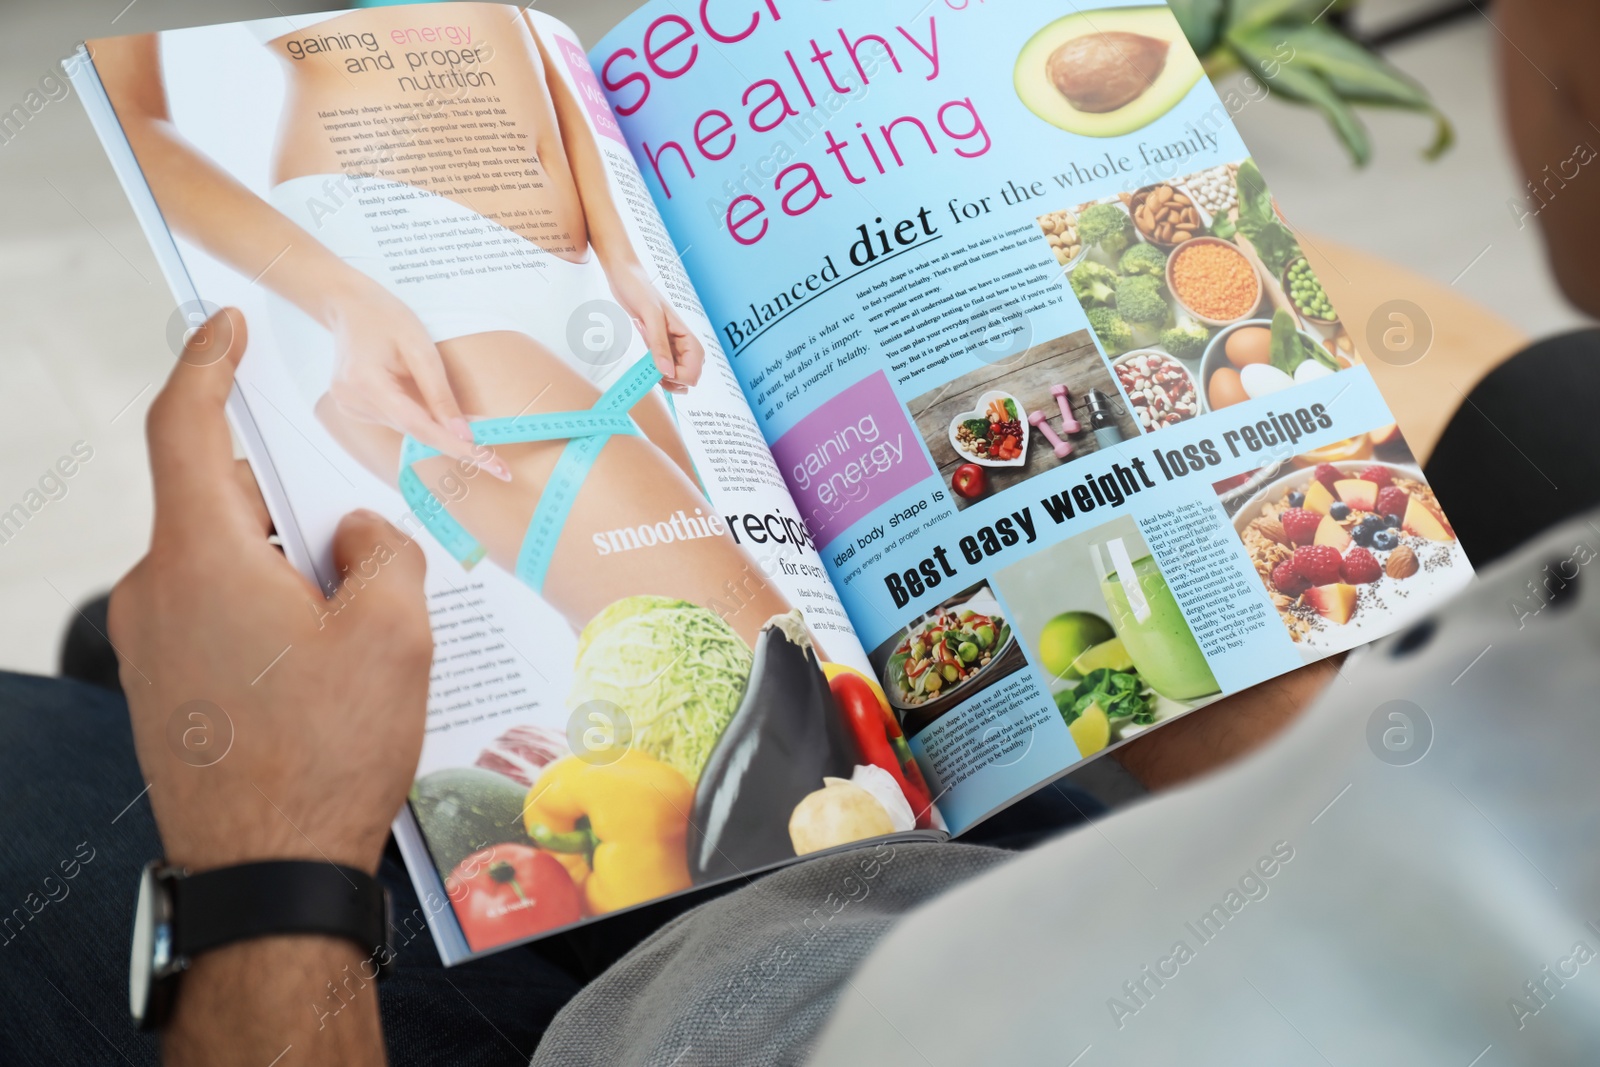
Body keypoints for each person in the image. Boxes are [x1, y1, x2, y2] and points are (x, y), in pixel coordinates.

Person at [8, 4, 1600, 1064]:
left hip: (774, 981)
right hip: (1046, 872)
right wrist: (1285, 723)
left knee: (56, 754)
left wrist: (268, 874)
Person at [90, 7, 805, 647]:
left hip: (578, 288)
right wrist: (343, 300)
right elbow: (132, 120)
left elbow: (532, 37)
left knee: (753, 654)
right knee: (767, 656)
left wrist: (624, 260)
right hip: (392, 279)